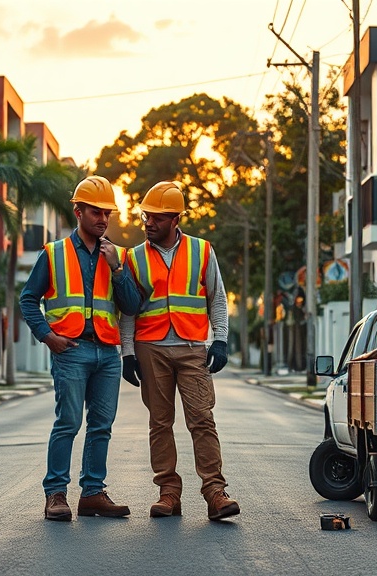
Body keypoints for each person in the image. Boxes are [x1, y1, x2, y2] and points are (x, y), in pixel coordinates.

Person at [20, 175, 141, 522]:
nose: (103, 219)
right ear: (78, 211)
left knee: (102, 425)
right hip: (70, 351)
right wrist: (47, 336)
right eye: (96, 212)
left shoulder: (115, 255)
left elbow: (131, 305)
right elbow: (28, 300)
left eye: (108, 213)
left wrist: (117, 269)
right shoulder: (54, 253)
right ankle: (56, 495)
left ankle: (92, 494)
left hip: (106, 354)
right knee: (69, 423)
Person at [120, 181, 240, 521]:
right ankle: (168, 493)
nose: (148, 223)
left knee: (202, 419)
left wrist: (220, 338)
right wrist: (127, 352)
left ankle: (215, 492)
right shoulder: (134, 256)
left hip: (192, 347)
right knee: (160, 423)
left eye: (156, 218)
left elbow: (217, 296)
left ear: (174, 220)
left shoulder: (202, 251)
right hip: (150, 348)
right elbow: (128, 309)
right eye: (146, 216)